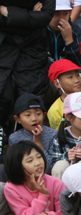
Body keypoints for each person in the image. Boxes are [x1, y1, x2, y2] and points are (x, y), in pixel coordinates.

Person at [0, 0, 55, 133]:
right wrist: (30, 16)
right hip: (4, 45)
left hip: (33, 48)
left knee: (29, 95)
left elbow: (44, 17)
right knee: (4, 93)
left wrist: (7, 12)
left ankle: (25, 138)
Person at [9, 95, 58, 168]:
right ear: (18, 119)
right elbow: (15, 165)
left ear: (44, 115)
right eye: (28, 115)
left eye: (38, 114)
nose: (34, 118)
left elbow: (52, 165)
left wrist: (38, 143)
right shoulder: (14, 138)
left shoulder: (53, 134)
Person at [47, 0, 81, 68]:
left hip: (70, 74)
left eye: (65, 13)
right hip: (46, 74)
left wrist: (69, 41)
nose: (61, 19)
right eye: (57, 14)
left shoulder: (75, 31)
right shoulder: (40, 30)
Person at [47, 59, 81, 131]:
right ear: (57, 84)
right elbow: (59, 136)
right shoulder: (55, 110)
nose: (77, 80)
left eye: (77, 75)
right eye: (70, 77)